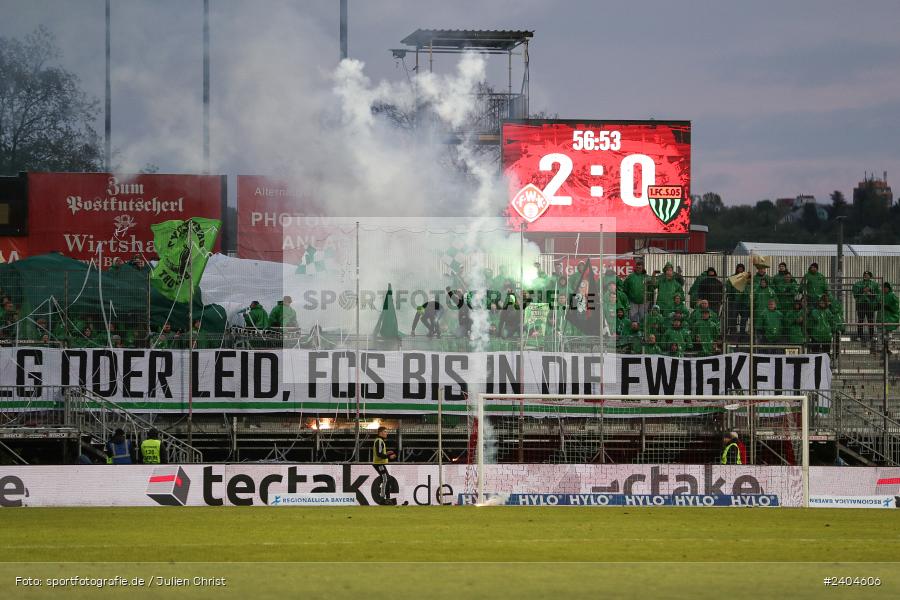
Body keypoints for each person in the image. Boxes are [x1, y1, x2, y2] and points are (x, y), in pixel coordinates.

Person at [372, 426, 397, 504]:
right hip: (378, 463)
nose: (387, 433)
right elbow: (379, 454)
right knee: (386, 479)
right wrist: (389, 456)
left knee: (387, 479)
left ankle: (387, 498)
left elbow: (380, 453)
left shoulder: (380, 441)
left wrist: (386, 454)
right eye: (385, 432)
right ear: (380, 433)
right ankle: (382, 499)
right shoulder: (379, 441)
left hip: (379, 463)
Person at [852, 271, 879, 341]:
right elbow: (855, 293)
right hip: (861, 304)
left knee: (871, 320)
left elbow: (877, 294)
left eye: (867, 275)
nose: (865, 276)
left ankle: (872, 336)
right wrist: (862, 290)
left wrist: (871, 292)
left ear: (870, 276)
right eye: (864, 275)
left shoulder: (874, 284)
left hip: (870, 304)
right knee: (860, 320)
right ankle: (859, 336)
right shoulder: (858, 284)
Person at [725, 264, 749, 336]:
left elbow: (749, 287)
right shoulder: (732, 277)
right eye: (739, 268)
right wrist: (731, 294)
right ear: (737, 269)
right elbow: (728, 287)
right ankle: (733, 331)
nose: (740, 270)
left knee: (744, 317)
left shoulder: (747, 278)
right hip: (735, 300)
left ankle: (742, 331)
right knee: (733, 316)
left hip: (744, 301)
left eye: (742, 268)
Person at [879, 282, 899, 353]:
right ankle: (882, 347)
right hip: (883, 317)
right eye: (884, 288)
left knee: (889, 334)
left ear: (888, 288)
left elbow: (896, 305)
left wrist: (889, 307)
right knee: (882, 333)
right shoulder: (881, 295)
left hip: (890, 317)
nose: (884, 289)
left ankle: (888, 348)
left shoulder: (892, 295)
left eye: (886, 288)